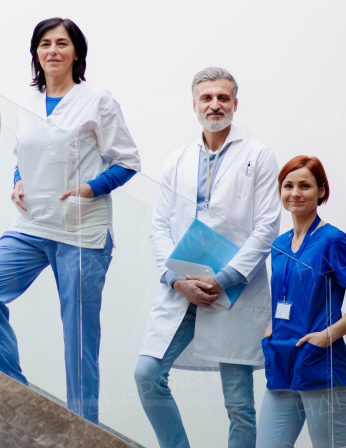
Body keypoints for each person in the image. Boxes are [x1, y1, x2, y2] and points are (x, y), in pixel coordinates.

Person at [0, 17, 141, 424]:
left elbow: (129, 161)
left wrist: (91, 188)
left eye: (62, 43)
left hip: (82, 231)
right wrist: (18, 180)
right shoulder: (26, 104)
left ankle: (83, 429)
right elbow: (22, 156)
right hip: (30, 226)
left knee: (79, 340)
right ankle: (15, 395)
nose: (53, 51)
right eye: (45, 44)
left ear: (77, 52)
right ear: (36, 53)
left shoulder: (97, 99)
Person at [135, 67, 280, 448]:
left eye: (222, 97)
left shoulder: (259, 156)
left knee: (239, 405)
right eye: (207, 98)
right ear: (194, 104)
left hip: (233, 292)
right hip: (181, 286)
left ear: (235, 103)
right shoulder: (177, 159)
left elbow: (267, 228)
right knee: (147, 374)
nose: (214, 105)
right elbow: (159, 227)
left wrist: (225, 278)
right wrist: (176, 281)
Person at [256, 156, 346, 448]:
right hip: (282, 359)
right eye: (288, 185)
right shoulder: (279, 244)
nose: (295, 192)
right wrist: (270, 324)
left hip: (320, 363)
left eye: (305, 185)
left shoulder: (333, 240)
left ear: (321, 191)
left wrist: (326, 336)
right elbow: (285, 295)